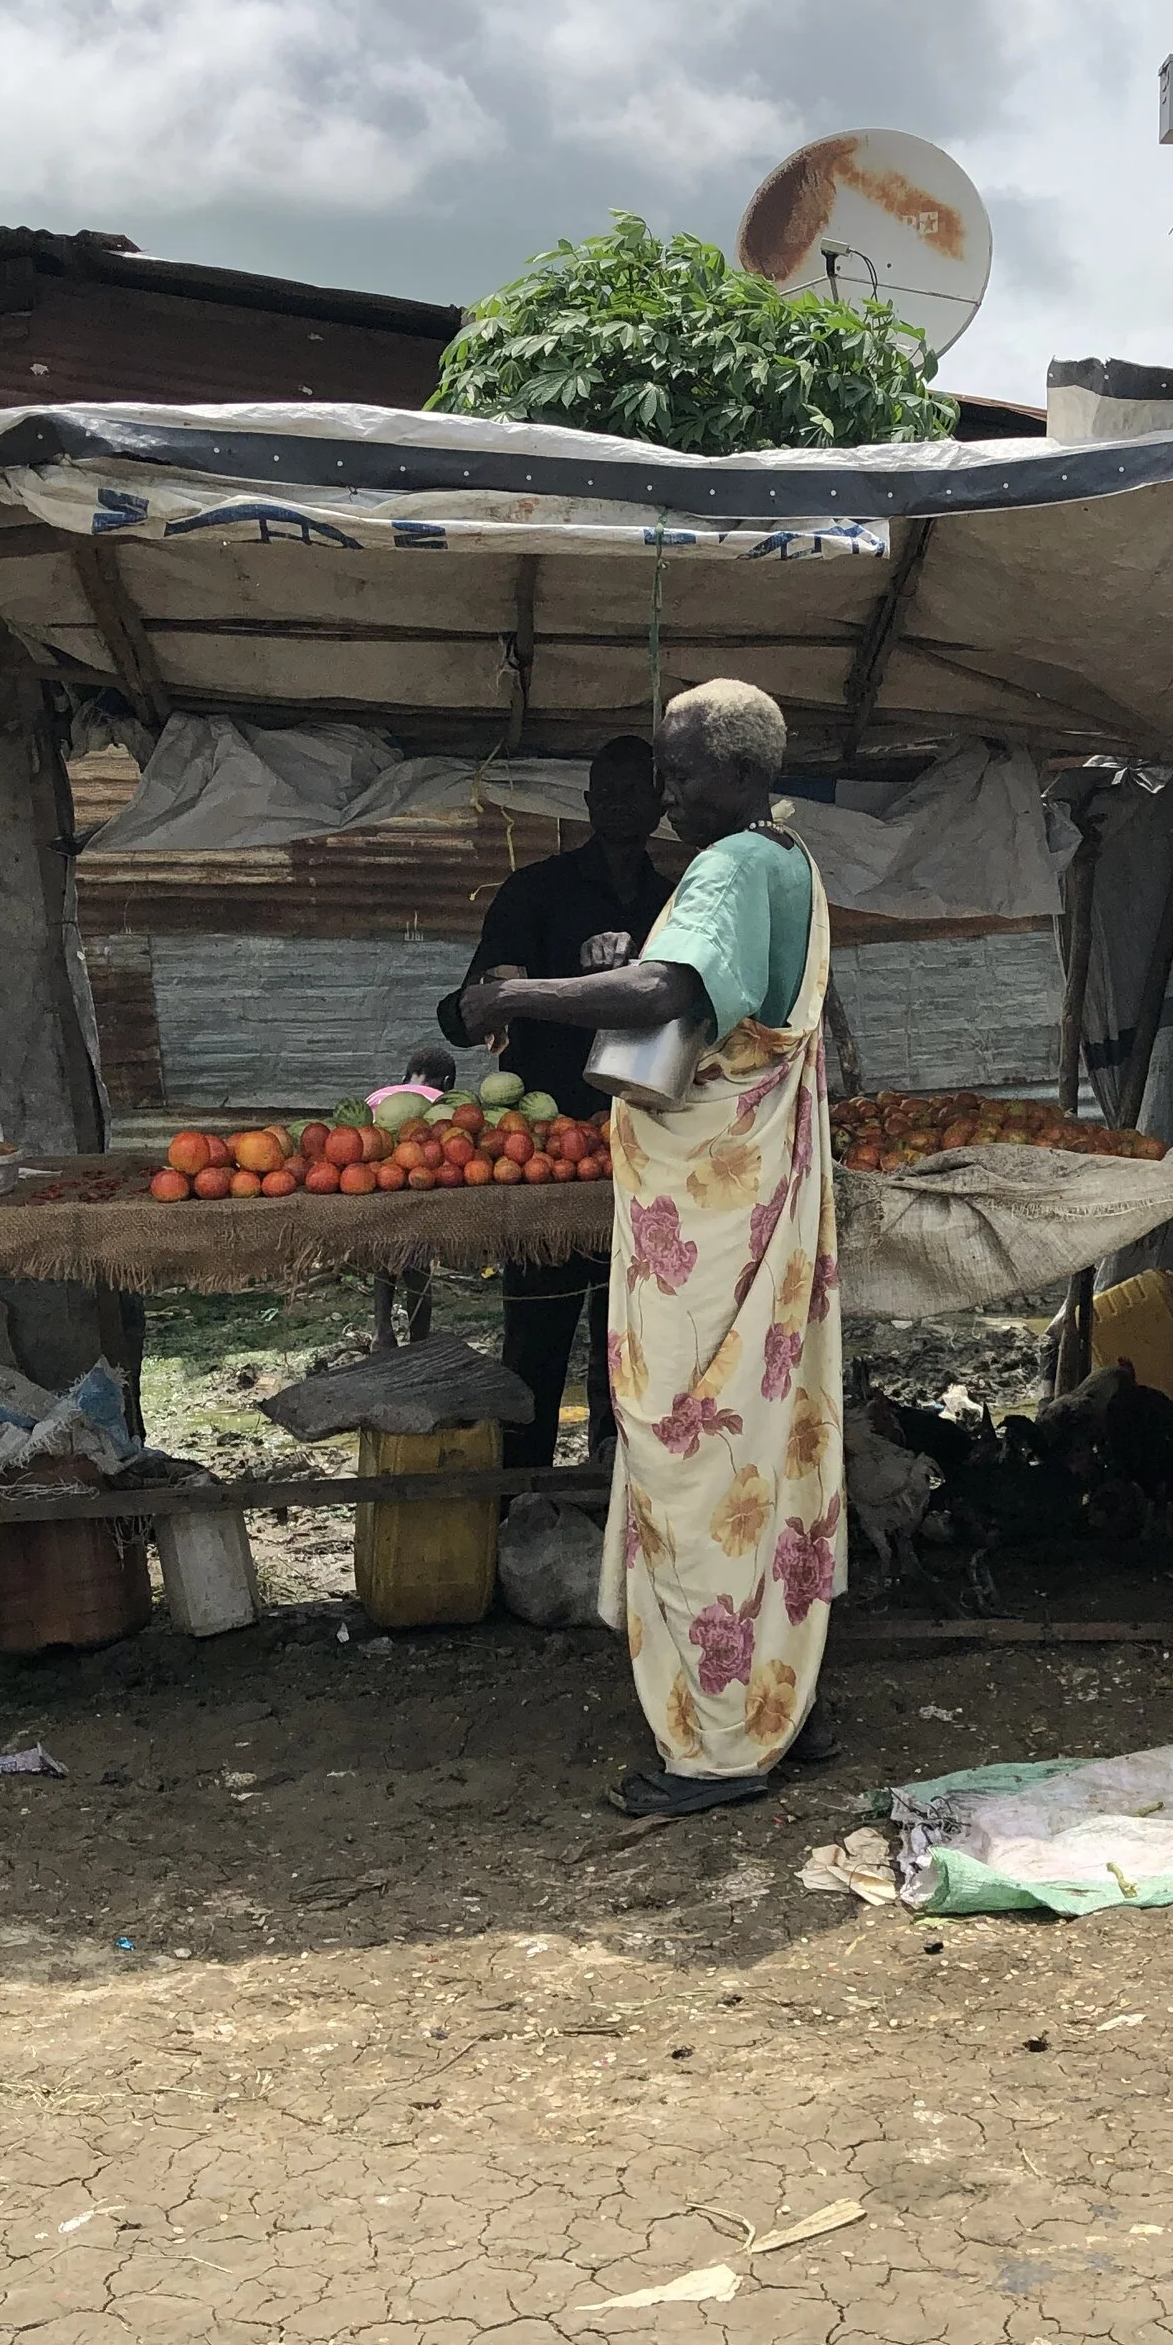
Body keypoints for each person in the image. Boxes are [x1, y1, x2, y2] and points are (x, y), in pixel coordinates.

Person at [455, 679, 842, 1817]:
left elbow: (665, 987)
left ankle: (717, 1744)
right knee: (768, 1441)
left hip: (709, 1221)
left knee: (692, 1445)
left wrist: (514, 994)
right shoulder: (792, 860)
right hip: (755, 1198)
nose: (663, 796)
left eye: (678, 773)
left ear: (735, 771)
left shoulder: (727, 867)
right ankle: (786, 1697)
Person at [448, 735, 667, 1472]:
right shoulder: (534, 894)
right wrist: (488, 1001)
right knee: (535, 1348)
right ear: (585, 802)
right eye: (604, 789)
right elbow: (461, 1011)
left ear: (661, 804)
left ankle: (621, 1505)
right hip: (545, 1162)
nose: (617, 803)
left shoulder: (679, 904)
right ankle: (521, 1503)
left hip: (654, 1158)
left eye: (635, 790)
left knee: (635, 1348)